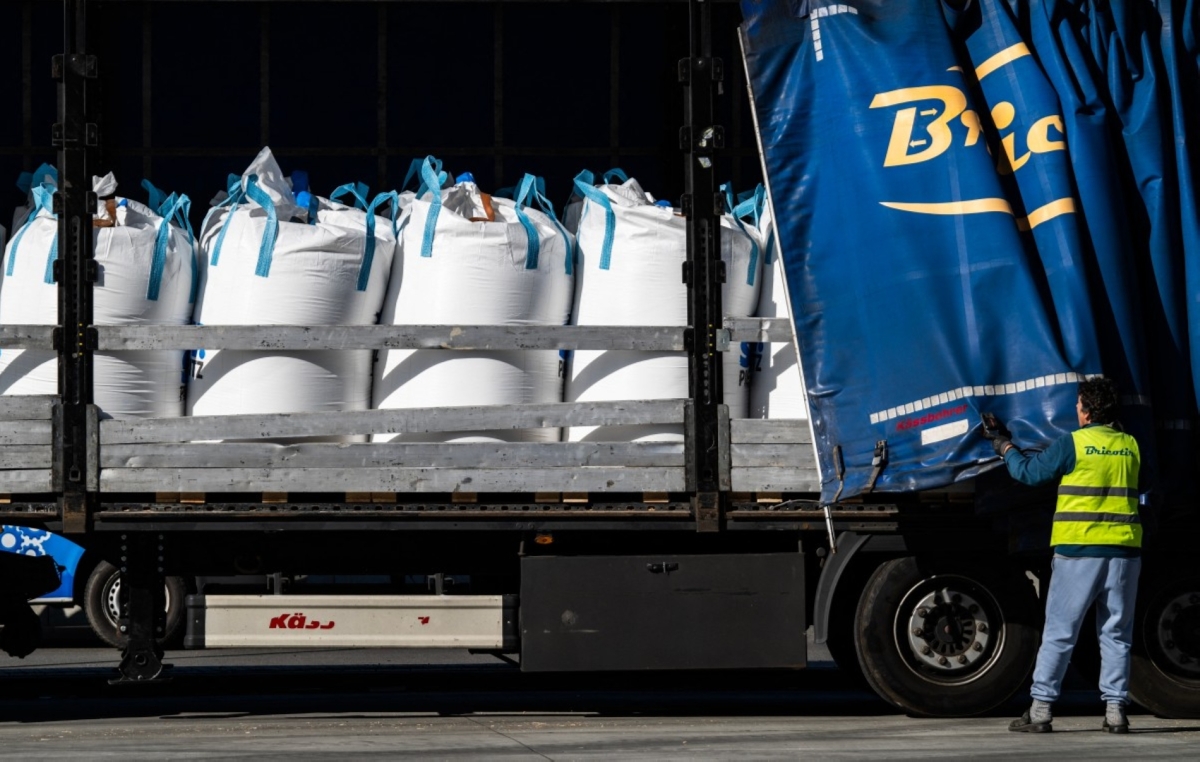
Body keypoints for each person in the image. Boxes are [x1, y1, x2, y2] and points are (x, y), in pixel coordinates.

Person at [985, 377, 1143, 734]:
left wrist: (1003, 445)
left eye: (1077, 405)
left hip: (1078, 553)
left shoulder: (1075, 444)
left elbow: (1030, 473)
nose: (1075, 410)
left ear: (1086, 411)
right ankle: (1116, 712)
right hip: (1124, 553)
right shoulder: (1131, 445)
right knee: (1117, 634)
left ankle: (1040, 710)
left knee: (1060, 633)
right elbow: (1144, 482)